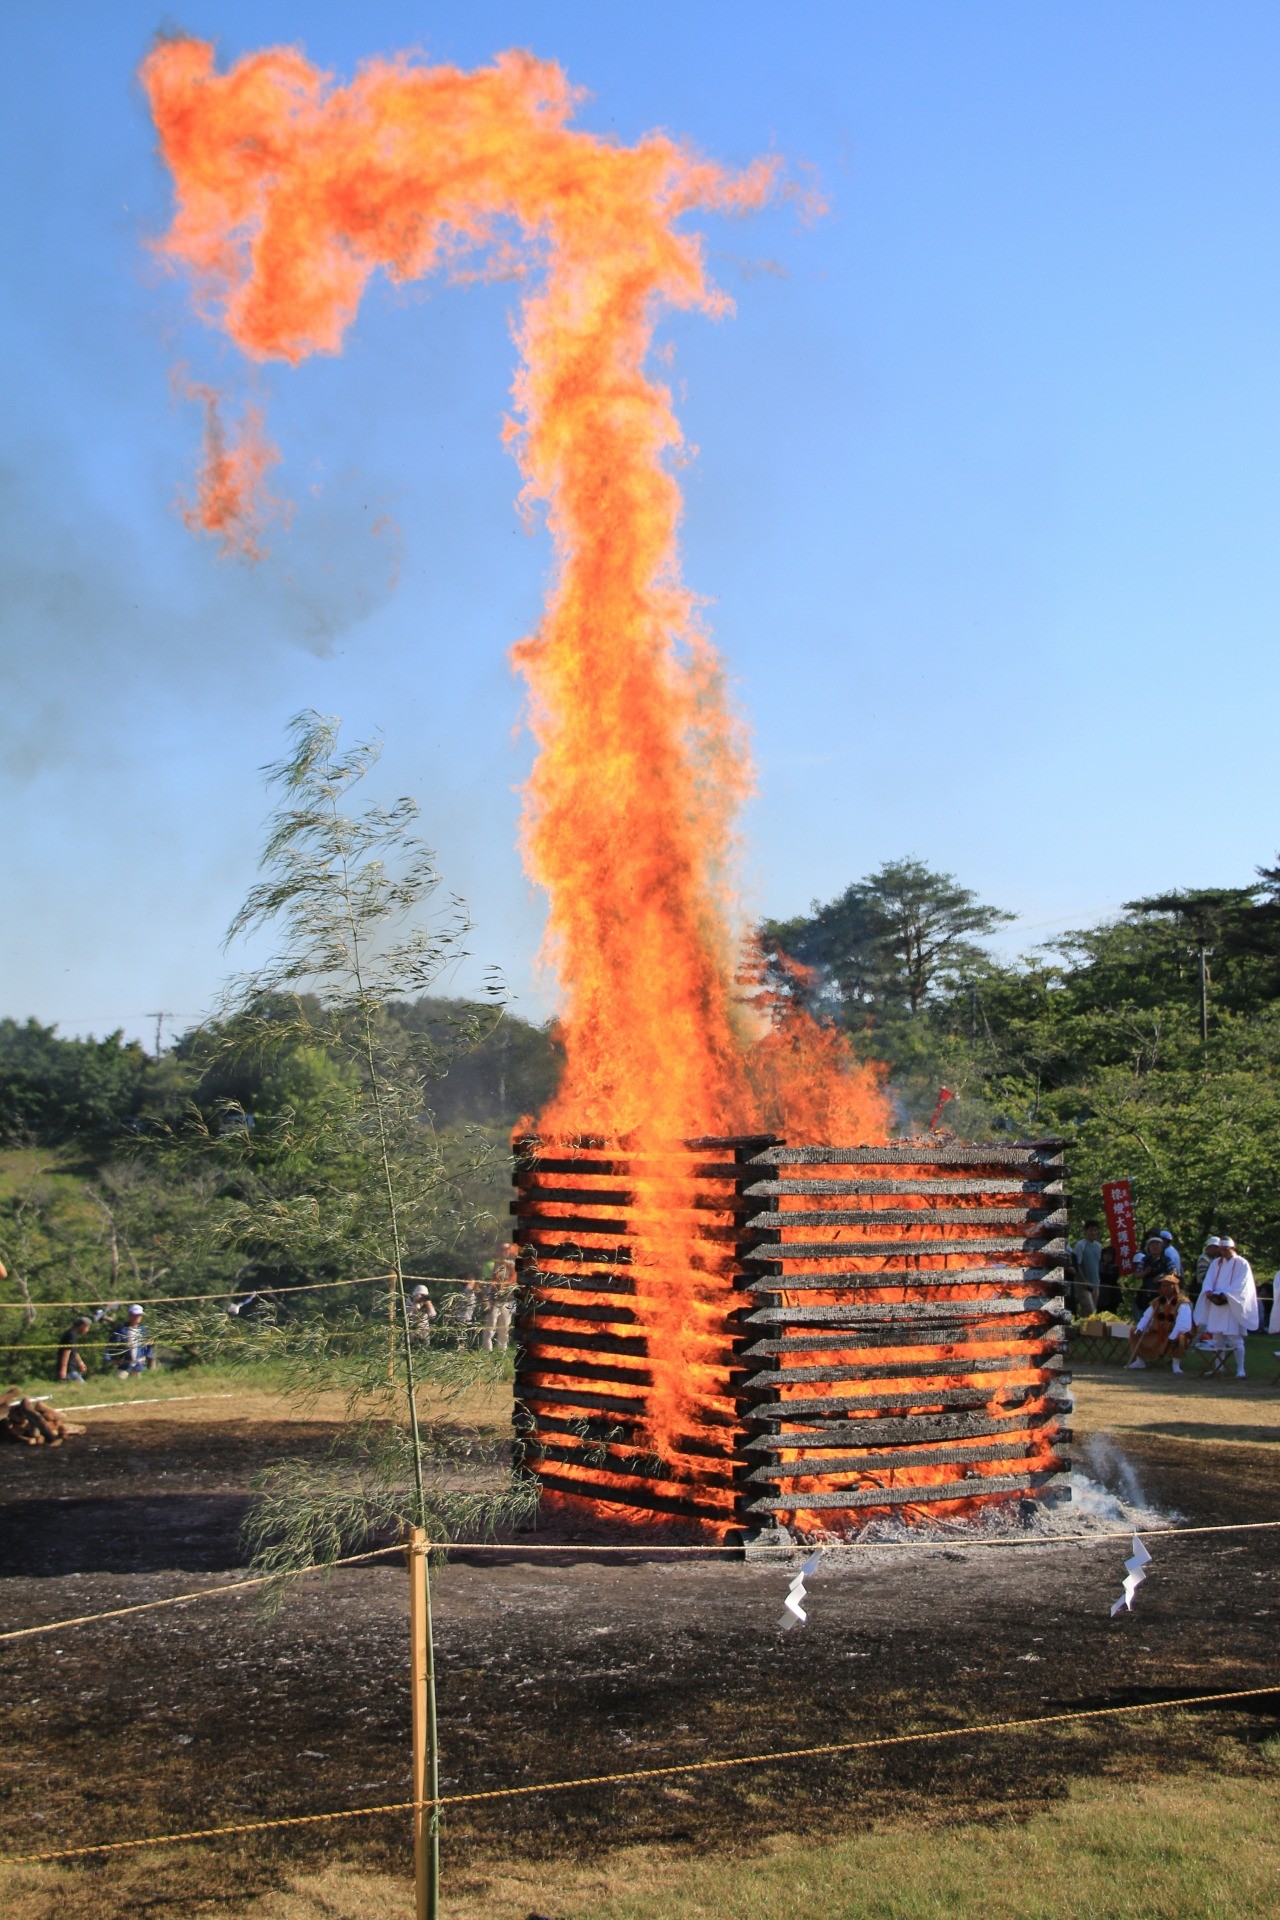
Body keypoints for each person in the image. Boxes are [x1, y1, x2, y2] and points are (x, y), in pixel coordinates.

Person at [1192, 1237, 1259, 1378]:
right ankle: (1218, 1367)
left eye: (1225, 1249)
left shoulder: (1242, 1263)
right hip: (1216, 1304)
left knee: (1235, 1339)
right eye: (1220, 1250)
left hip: (1231, 1304)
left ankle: (1241, 1370)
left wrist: (1226, 1295)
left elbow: (1243, 1283)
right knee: (1217, 1338)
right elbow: (1208, 1280)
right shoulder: (1215, 1263)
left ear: (1233, 1248)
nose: (1223, 1252)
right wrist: (1208, 1292)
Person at [1126, 1272, 1194, 1374]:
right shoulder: (1157, 1301)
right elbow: (1147, 1317)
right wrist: (1140, 1328)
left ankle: (1176, 1365)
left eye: (1168, 1285)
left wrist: (1173, 1335)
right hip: (1158, 1332)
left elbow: (1183, 1323)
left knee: (1180, 1337)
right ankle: (1140, 1361)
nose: (1165, 1288)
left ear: (1175, 1287)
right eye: (1163, 1285)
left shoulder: (1183, 1302)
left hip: (1173, 1332)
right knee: (1134, 1330)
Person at [480, 1244, 518, 1352]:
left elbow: (514, 1281)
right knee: (490, 1326)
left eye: (507, 1249)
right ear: (497, 1250)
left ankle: (502, 1351)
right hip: (493, 1300)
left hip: (507, 1300)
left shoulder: (512, 1265)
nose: (505, 1251)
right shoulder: (491, 1264)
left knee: (505, 1327)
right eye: (502, 1249)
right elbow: (489, 1282)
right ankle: (486, 1351)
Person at [1133, 1234, 1177, 1315]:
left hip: (1162, 1293)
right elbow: (1137, 1275)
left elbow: (1174, 1274)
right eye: (1152, 1244)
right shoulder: (1144, 1260)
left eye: (1157, 1244)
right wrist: (1145, 1272)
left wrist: (1163, 1276)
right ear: (1149, 1247)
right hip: (1147, 1293)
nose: (1155, 1246)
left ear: (1161, 1247)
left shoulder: (1167, 1260)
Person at [105, 1304, 154, 1377]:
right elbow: (112, 1345)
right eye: (134, 1315)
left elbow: (148, 1346)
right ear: (129, 1316)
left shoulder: (143, 1331)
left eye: (139, 1315)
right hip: (124, 1364)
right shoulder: (121, 1330)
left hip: (138, 1365)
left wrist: (146, 1355)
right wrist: (114, 1358)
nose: (136, 1318)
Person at [1072, 1222, 1103, 1316]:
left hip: (1096, 1283)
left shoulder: (1098, 1246)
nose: (1093, 1232)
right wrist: (1084, 1281)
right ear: (1085, 1231)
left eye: (1095, 1230)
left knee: (1091, 1312)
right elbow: (1077, 1264)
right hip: (1083, 1284)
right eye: (1091, 1230)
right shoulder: (1080, 1245)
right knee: (1090, 1309)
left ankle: (1083, 1325)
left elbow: (1098, 1264)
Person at [55, 1316, 92, 1383]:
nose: (87, 1330)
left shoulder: (73, 1335)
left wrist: (81, 1363)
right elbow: (66, 1352)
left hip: (72, 1369)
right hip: (69, 1370)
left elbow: (74, 1352)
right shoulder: (70, 1335)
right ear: (83, 1326)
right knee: (84, 1388)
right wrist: (63, 1372)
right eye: (87, 1328)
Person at [442, 1279, 478, 1346]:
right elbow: (465, 1300)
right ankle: (460, 1346)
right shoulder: (467, 1290)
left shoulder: (465, 1290)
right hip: (463, 1316)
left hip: (463, 1316)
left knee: (461, 1333)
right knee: (461, 1333)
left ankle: (460, 1346)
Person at [1097, 1241, 1122, 1314]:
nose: (1108, 1256)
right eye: (1106, 1254)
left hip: (1112, 1294)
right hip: (1100, 1293)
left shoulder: (1115, 1267)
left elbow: (1113, 1278)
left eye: (1110, 1254)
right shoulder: (1098, 1265)